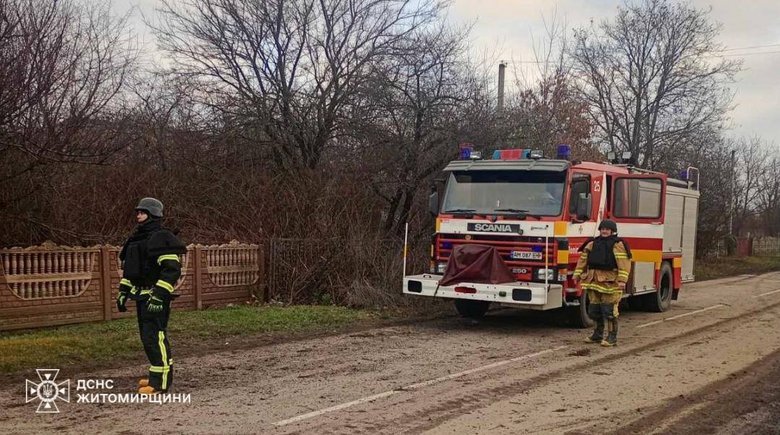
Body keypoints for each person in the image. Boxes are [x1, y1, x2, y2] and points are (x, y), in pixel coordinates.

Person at [117, 198, 186, 394]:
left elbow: (172, 270)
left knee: (156, 337)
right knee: (148, 338)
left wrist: (159, 296)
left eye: (142, 212)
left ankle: (161, 382)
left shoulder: (161, 238)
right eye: (137, 212)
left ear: (153, 214)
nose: (138, 215)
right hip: (141, 296)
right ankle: (156, 375)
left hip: (155, 297)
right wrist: (123, 292)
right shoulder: (136, 240)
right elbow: (132, 272)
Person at [572, 219, 631, 347]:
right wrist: (577, 274)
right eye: (602, 229)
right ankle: (597, 335)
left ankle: (611, 337)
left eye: (607, 229)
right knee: (594, 310)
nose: (604, 231)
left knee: (609, 311)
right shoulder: (592, 243)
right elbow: (583, 260)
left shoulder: (618, 245)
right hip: (593, 280)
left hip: (610, 282)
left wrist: (622, 280)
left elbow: (624, 264)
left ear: (612, 231)